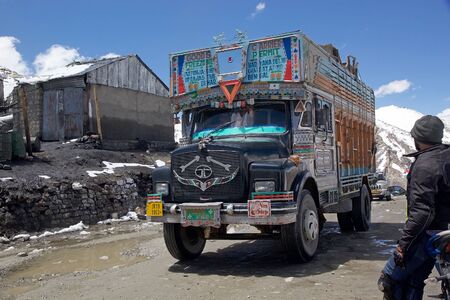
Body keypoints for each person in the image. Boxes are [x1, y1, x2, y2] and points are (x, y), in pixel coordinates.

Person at [378, 115, 450, 300]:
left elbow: (423, 213)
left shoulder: (425, 164)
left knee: (390, 280)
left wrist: (403, 245)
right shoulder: (445, 156)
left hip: (430, 235)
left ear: (417, 138)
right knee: (415, 280)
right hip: (444, 232)